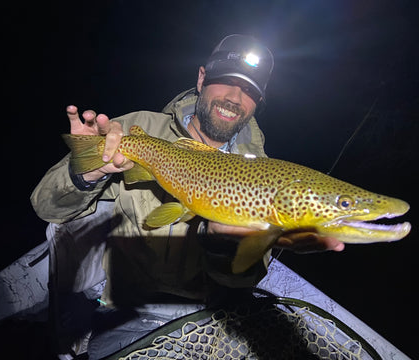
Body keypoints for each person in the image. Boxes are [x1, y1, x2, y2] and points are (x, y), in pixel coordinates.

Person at [31, 34, 344, 358]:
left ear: (257, 104)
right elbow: (45, 206)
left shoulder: (266, 175)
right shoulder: (138, 129)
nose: (235, 97)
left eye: (250, 91)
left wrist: (224, 245)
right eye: (225, 81)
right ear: (201, 79)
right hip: (125, 312)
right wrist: (89, 171)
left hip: (213, 318)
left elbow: (240, 283)